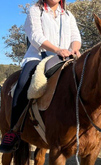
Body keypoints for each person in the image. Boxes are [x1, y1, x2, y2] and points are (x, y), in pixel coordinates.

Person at [0, 0, 81, 153]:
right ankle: (14, 130)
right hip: (38, 57)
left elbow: (75, 36)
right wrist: (57, 49)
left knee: (89, 77)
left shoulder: (68, 15)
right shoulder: (35, 11)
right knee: (23, 82)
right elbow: (35, 36)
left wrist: (75, 49)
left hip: (66, 57)